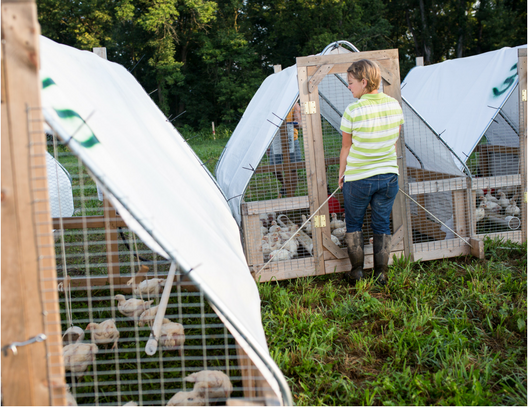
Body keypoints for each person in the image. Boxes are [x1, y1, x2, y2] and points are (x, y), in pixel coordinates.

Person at [338, 59, 404, 286]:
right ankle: (381, 274)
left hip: (358, 178)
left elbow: (346, 147)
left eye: (351, 82)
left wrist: (342, 173)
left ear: (364, 82)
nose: (349, 86)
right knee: (382, 224)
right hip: (388, 177)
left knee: (354, 224)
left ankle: (357, 272)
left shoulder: (353, 110)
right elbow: (393, 140)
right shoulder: (394, 105)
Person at [268, 101, 302, 197]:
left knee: (294, 168)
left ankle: (291, 196)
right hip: (276, 139)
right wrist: (269, 144)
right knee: (274, 167)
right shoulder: (274, 104)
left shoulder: (294, 105)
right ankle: (285, 184)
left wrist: (294, 123)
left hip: (292, 139)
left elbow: (300, 123)